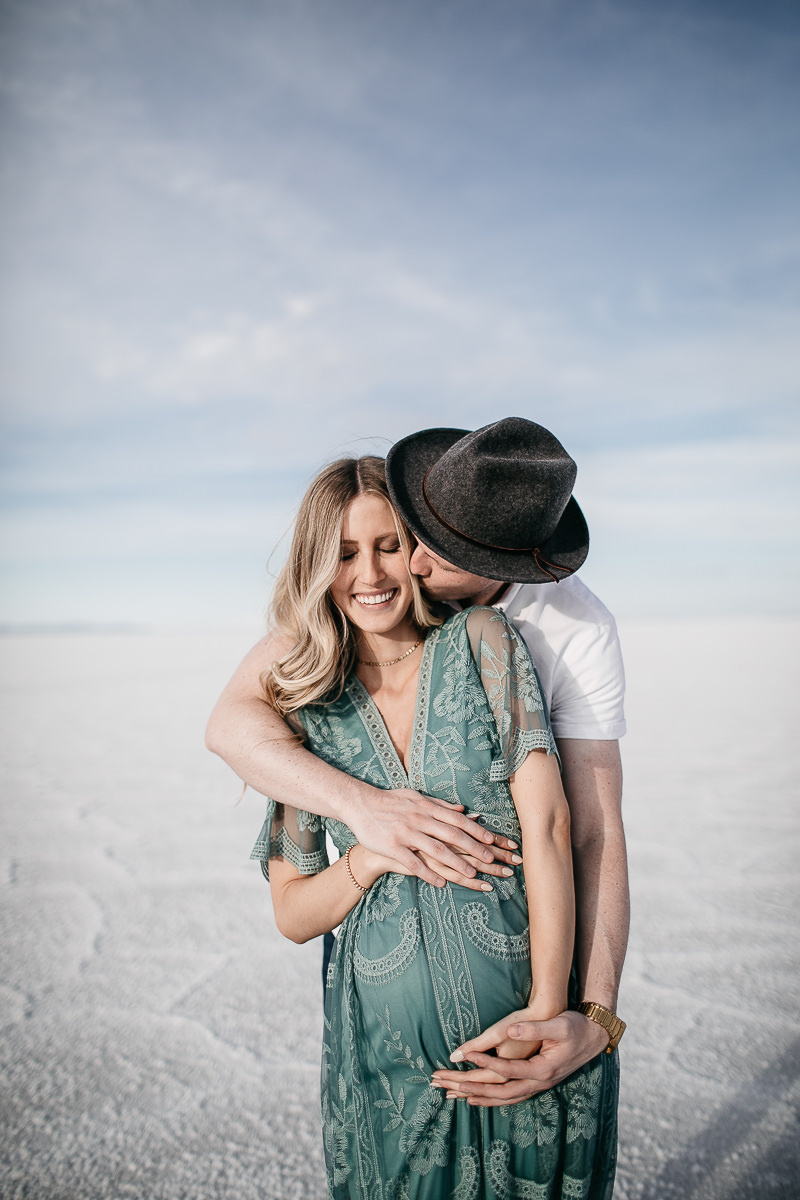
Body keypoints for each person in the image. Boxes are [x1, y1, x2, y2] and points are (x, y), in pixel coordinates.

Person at [206, 417, 629, 1105]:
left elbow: (585, 829)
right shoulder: (317, 685)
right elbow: (229, 723)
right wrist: (366, 821)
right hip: (385, 1070)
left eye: (402, 548)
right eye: (421, 535)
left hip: (526, 1037)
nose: (409, 567)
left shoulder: (548, 633)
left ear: (502, 564)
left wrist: (588, 1015)